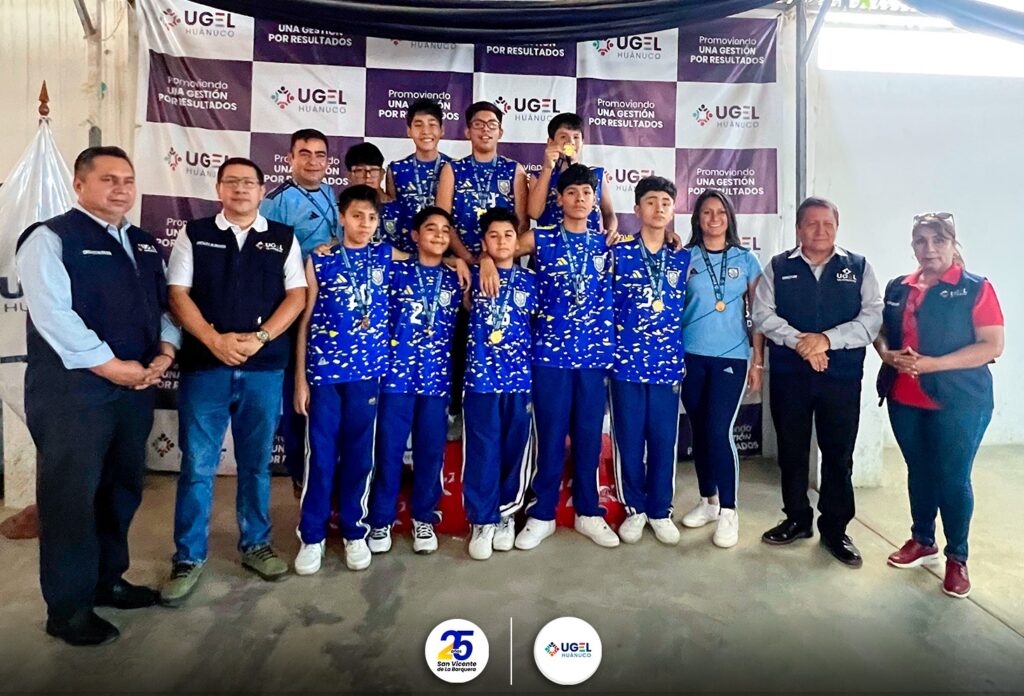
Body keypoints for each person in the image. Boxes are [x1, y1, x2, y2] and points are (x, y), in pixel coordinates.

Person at [16, 146, 179, 646]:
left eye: (127, 180)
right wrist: (110, 367)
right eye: (108, 179)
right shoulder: (50, 238)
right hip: (74, 394)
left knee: (120, 490)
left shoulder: (144, 243)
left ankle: (108, 581)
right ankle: (68, 610)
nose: (121, 189)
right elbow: (54, 315)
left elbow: (162, 308)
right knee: (71, 500)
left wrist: (166, 351)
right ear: (79, 184)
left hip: (133, 390)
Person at [162, 157, 306, 605]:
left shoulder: (283, 237)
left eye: (249, 183)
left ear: (262, 191)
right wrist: (212, 340)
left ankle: (256, 544)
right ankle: (188, 556)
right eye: (232, 182)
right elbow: (177, 295)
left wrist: (261, 338)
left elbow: (297, 296)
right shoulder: (195, 233)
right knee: (198, 466)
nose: (241, 189)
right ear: (219, 189)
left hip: (264, 368)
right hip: (206, 367)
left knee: (257, 464)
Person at [874, 212, 1003, 598]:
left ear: (952, 243)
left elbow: (992, 346)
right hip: (904, 398)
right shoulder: (899, 287)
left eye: (938, 240)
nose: (929, 249)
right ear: (912, 245)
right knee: (919, 470)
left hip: (961, 400)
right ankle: (922, 540)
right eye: (921, 241)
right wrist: (886, 354)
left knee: (953, 477)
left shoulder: (975, 288)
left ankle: (957, 557)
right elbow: (881, 331)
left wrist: (933, 364)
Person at [752, 196, 882, 567]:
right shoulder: (779, 267)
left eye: (828, 223)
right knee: (792, 451)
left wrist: (826, 340)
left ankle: (835, 529)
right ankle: (797, 518)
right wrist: (802, 343)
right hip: (790, 377)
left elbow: (871, 319)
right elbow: (762, 315)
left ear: (837, 227)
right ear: (798, 229)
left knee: (838, 455)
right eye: (811, 223)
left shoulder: (858, 267)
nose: (820, 230)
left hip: (841, 378)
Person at [515, 164, 618, 550]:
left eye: (586, 193)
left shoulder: (607, 243)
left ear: (594, 201)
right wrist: (488, 261)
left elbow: (653, 246)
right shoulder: (539, 238)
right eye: (571, 192)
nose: (579, 199)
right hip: (550, 356)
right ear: (559, 199)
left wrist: (672, 237)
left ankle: (588, 512)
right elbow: (501, 249)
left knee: (589, 436)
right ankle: (542, 514)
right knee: (551, 435)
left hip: (593, 356)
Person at [292, 185, 392, 574]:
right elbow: (304, 321)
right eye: (357, 216)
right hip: (324, 375)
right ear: (342, 217)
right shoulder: (320, 260)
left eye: (372, 217)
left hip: (367, 376)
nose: (365, 224)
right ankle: (312, 536)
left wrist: (466, 263)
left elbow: (432, 256)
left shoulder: (385, 255)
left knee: (359, 457)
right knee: (320, 456)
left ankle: (354, 531)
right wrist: (301, 379)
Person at [365, 207, 463, 556]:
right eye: (431, 229)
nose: (439, 235)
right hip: (396, 378)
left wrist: (459, 261)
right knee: (388, 451)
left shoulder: (457, 278)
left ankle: (424, 517)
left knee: (430, 452)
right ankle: (380, 520)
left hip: (435, 379)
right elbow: (364, 251)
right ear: (415, 235)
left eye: (445, 230)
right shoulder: (395, 271)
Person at [437, 101, 530, 441]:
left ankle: (506, 412)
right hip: (463, 268)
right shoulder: (453, 169)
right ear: (467, 131)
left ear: (501, 131)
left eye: (492, 124)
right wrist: (474, 259)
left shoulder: (514, 170)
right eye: (478, 124)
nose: (485, 129)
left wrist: (493, 256)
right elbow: (443, 221)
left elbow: (521, 225)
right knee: (460, 339)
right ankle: (456, 410)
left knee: (504, 339)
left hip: (504, 270)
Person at [679, 189, 765, 549]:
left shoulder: (746, 260)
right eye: (706, 212)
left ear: (730, 218)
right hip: (690, 355)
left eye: (721, 213)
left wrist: (757, 360)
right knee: (699, 431)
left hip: (730, 357)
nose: (714, 219)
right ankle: (708, 501)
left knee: (718, 430)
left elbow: (759, 315)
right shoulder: (685, 257)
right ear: (697, 219)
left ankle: (729, 510)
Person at [610, 177, 690, 546]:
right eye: (651, 201)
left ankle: (660, 510)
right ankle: (635, 508)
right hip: (625, 364)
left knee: (663, 440)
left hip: (666, 364)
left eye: (665, 203)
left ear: (673, 211)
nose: (659, 208)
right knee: (628, 439)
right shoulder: (619, 254)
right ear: (637, 208)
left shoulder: (682, 257)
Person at [260, 128, 340, 494]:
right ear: (290, 158)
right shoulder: (276, 201)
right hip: (294, 308)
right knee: (298, 394)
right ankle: (299, 473)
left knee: (323, 395)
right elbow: (265, 260)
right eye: (304, 153)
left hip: (329, 308)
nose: (312, 161)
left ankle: (322, 472)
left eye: (320, 154)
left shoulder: (330, 194)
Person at [461, 207, 537, 560]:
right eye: (494, 236)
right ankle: (482, 520)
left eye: (508, 235)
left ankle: (507, 514)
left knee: (514, 448)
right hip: (481, 379)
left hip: (519, 379)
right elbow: (436, 261)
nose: (502, 241)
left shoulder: (532, 281)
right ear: (483, 242)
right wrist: (479, 261)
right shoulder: (469, 276)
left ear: (517, 240)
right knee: (482, 448)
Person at [527, 112, 616, 234]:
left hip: (589, 243)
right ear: (550, 142)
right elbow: (534, 213)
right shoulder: (539, 176)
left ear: (582, 142)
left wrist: (610, 231)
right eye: (563, 137)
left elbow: (609, 214)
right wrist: (547, 168)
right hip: (551, 244)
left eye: (576, 137)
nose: (570, 142)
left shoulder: (596, 175)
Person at [384, 98, 453, 253]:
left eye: (432, 124)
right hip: (406, 253)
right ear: (409, 131)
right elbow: (393, 213)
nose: (425, 131)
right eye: (418, 124)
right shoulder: (396, 169)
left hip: (445, 252)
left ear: (442, 130)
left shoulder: (454, 168)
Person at [345, 142, 399, 246]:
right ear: (349, 176)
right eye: (360, 170)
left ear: (382, 174)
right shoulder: (343, 209)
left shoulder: (397, 208)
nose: (367, 176)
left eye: (373, 170)